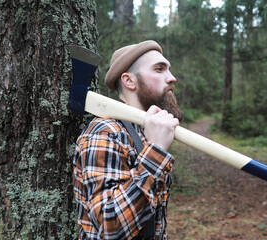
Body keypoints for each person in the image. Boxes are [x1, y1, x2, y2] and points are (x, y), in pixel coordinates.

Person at [73, 40, 184, 240]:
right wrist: (156, 152)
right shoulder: (104, 132)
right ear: (129, 81)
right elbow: (110, 227)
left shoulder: (145, 133)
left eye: (169, 70)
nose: (172, 78)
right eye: (159, 69)